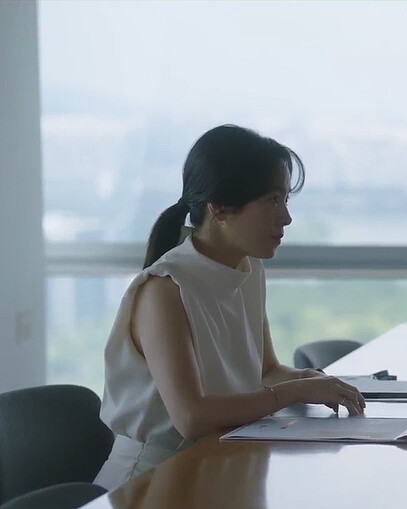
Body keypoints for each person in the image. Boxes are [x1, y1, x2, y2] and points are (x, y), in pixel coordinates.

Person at [93, 125, 367, 490]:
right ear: (219, 208)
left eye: (285, 200)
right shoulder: (165, 289)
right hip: (151, 482)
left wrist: (312, 380)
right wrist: (297, 392)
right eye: (273, 201)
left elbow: (266, 372)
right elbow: (191, 417)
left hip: (219, 465)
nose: (286, 217)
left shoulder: (248, 267)